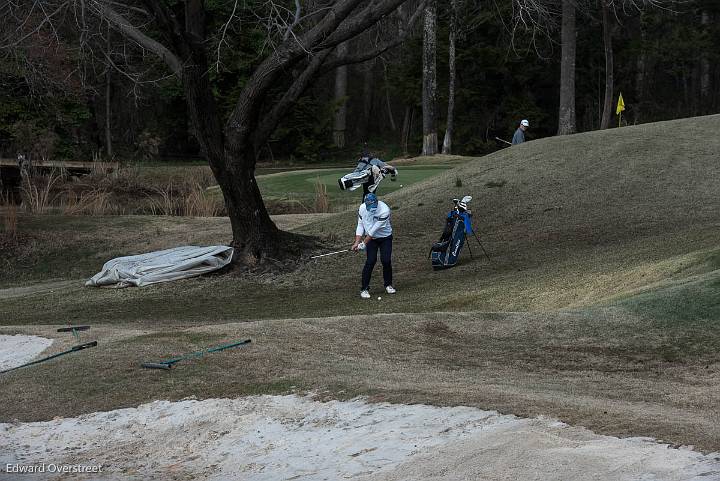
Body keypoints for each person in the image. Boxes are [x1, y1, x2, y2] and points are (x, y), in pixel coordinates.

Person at [352, 193, 395, 299]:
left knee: (386, 260)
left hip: (385, 237)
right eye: (370, 207)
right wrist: (357, 242)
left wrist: (364, 243)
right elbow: (360, 225)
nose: (372, 209)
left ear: (377, 202)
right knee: (370, 261)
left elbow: (373, 230)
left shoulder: (384, 210)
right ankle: (364, 289)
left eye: (373, 206)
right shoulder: (362, 208)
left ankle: (388, 285)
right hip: (371, 240)